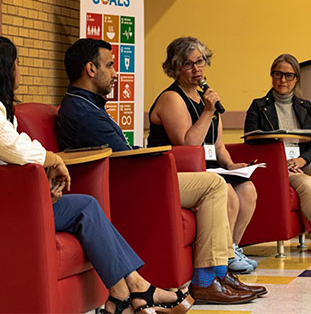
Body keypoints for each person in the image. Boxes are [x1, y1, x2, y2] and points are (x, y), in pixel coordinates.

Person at [0, 35, 196, 314]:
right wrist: (52, 160)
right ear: (1, 68)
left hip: (10, 203)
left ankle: (125, 292)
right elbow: (14, 148)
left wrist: (45, 182)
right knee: (85, 207)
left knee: (86, 207)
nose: (19, 71)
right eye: (17, 64)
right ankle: (133, 291)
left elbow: (12, 161)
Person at [57, 38, 267, 304]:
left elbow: (119, 150)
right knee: (215, 185)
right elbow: (128, 157)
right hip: (132, 182)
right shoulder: (84, 111)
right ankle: (206, 280)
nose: (115, 73)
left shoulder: (87, 104)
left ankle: (218, 274)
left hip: (137, 174)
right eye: (110, 65)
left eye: (200, 62)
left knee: (226, 185)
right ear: (90, 69)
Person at [147, 37, 258, 274]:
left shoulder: (207, 98)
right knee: (226, 191)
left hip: (209, 168)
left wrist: (230, 164)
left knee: (247, 190)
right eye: (189, 64)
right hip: (179, 169)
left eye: (200, 62)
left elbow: (217, 146)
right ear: (176, 68)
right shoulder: (172, 98)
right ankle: (222, 257)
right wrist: (208, 111)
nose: (197, 69)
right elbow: (188, 144)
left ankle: (232, 248)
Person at [245, 53, 311, 225]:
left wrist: (302, 160)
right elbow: (251, 143)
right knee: (306, 184)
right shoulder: (258, 107)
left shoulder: (307, 108)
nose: (283, 80)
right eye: (278, 74)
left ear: (296, 78)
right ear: (272, 76)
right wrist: (283, 162)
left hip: (303, 162)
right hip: (276, 166)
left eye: (289, 75)